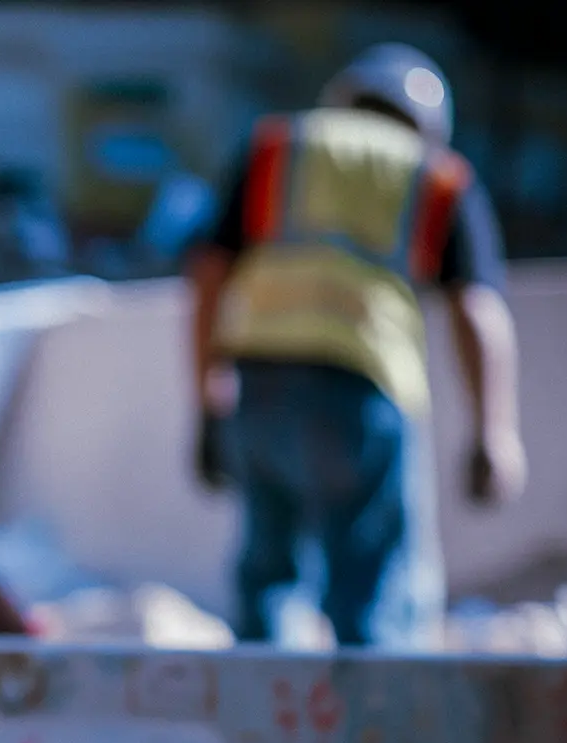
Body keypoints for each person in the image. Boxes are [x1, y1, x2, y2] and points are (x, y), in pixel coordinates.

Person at [188, 43, 527, 648]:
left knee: (268, 580)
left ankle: (262, 702)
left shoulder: (277, 149)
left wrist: (208, 400)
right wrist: (493, 434)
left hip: (260, 388)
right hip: (361, 389)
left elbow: (209, 275)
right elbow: (477, 312)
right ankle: (369, 707)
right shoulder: (437, 175)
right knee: (371, 597)